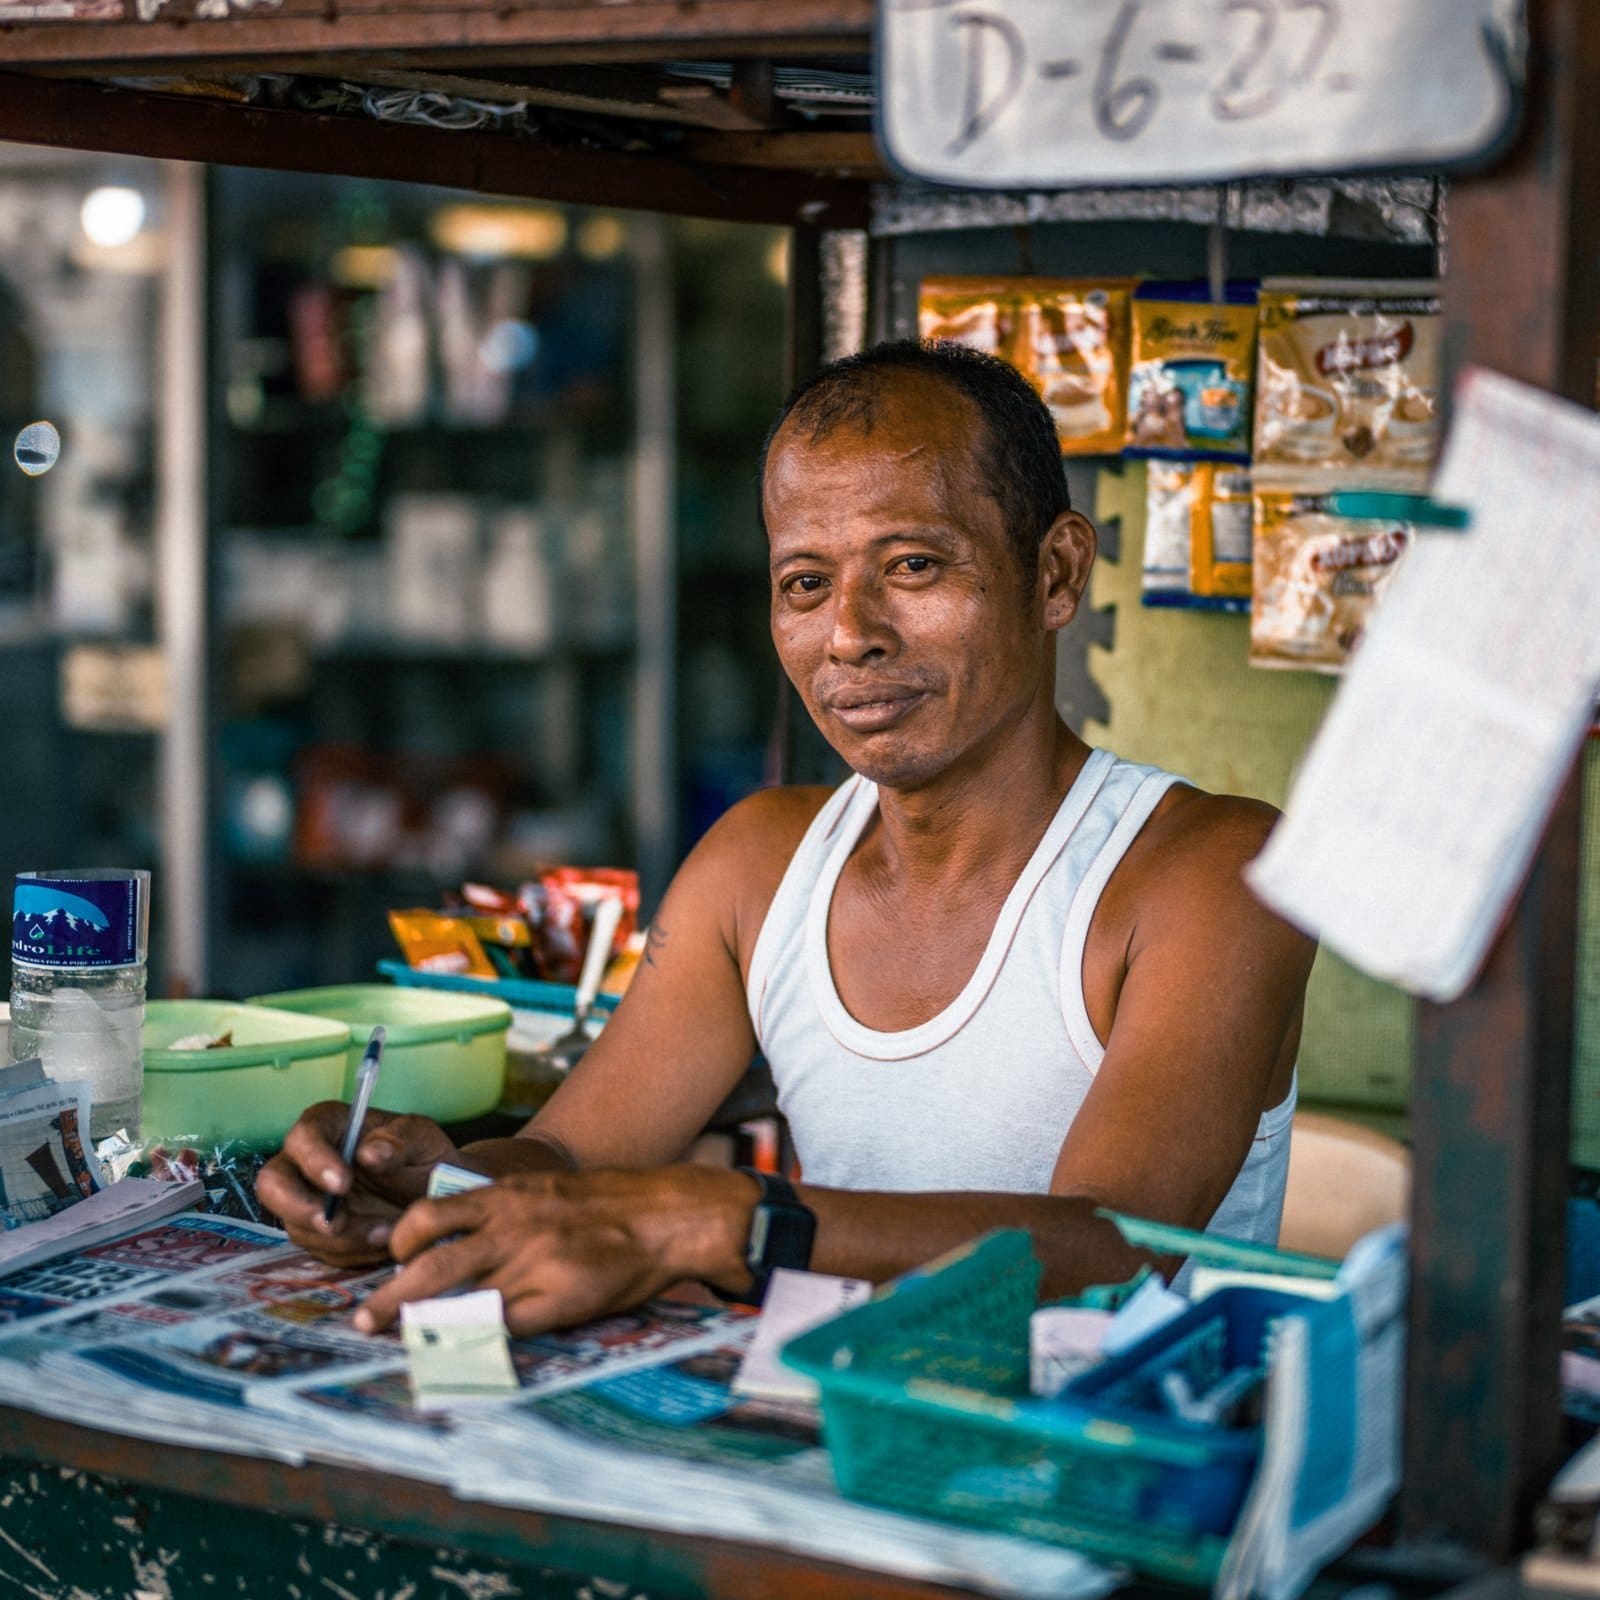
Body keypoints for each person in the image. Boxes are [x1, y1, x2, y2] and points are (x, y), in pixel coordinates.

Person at [257, 340, 1316, 1336]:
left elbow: (1113, 1248)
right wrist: (433, 1187)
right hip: (845, 1445)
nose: (849, 632)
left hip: (1117, 1487)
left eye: (911, 566)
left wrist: (728, 1220)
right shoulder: (760, 861)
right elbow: (574, 1153)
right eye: (805, 584)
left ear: (1053, 573)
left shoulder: (1210, 875)